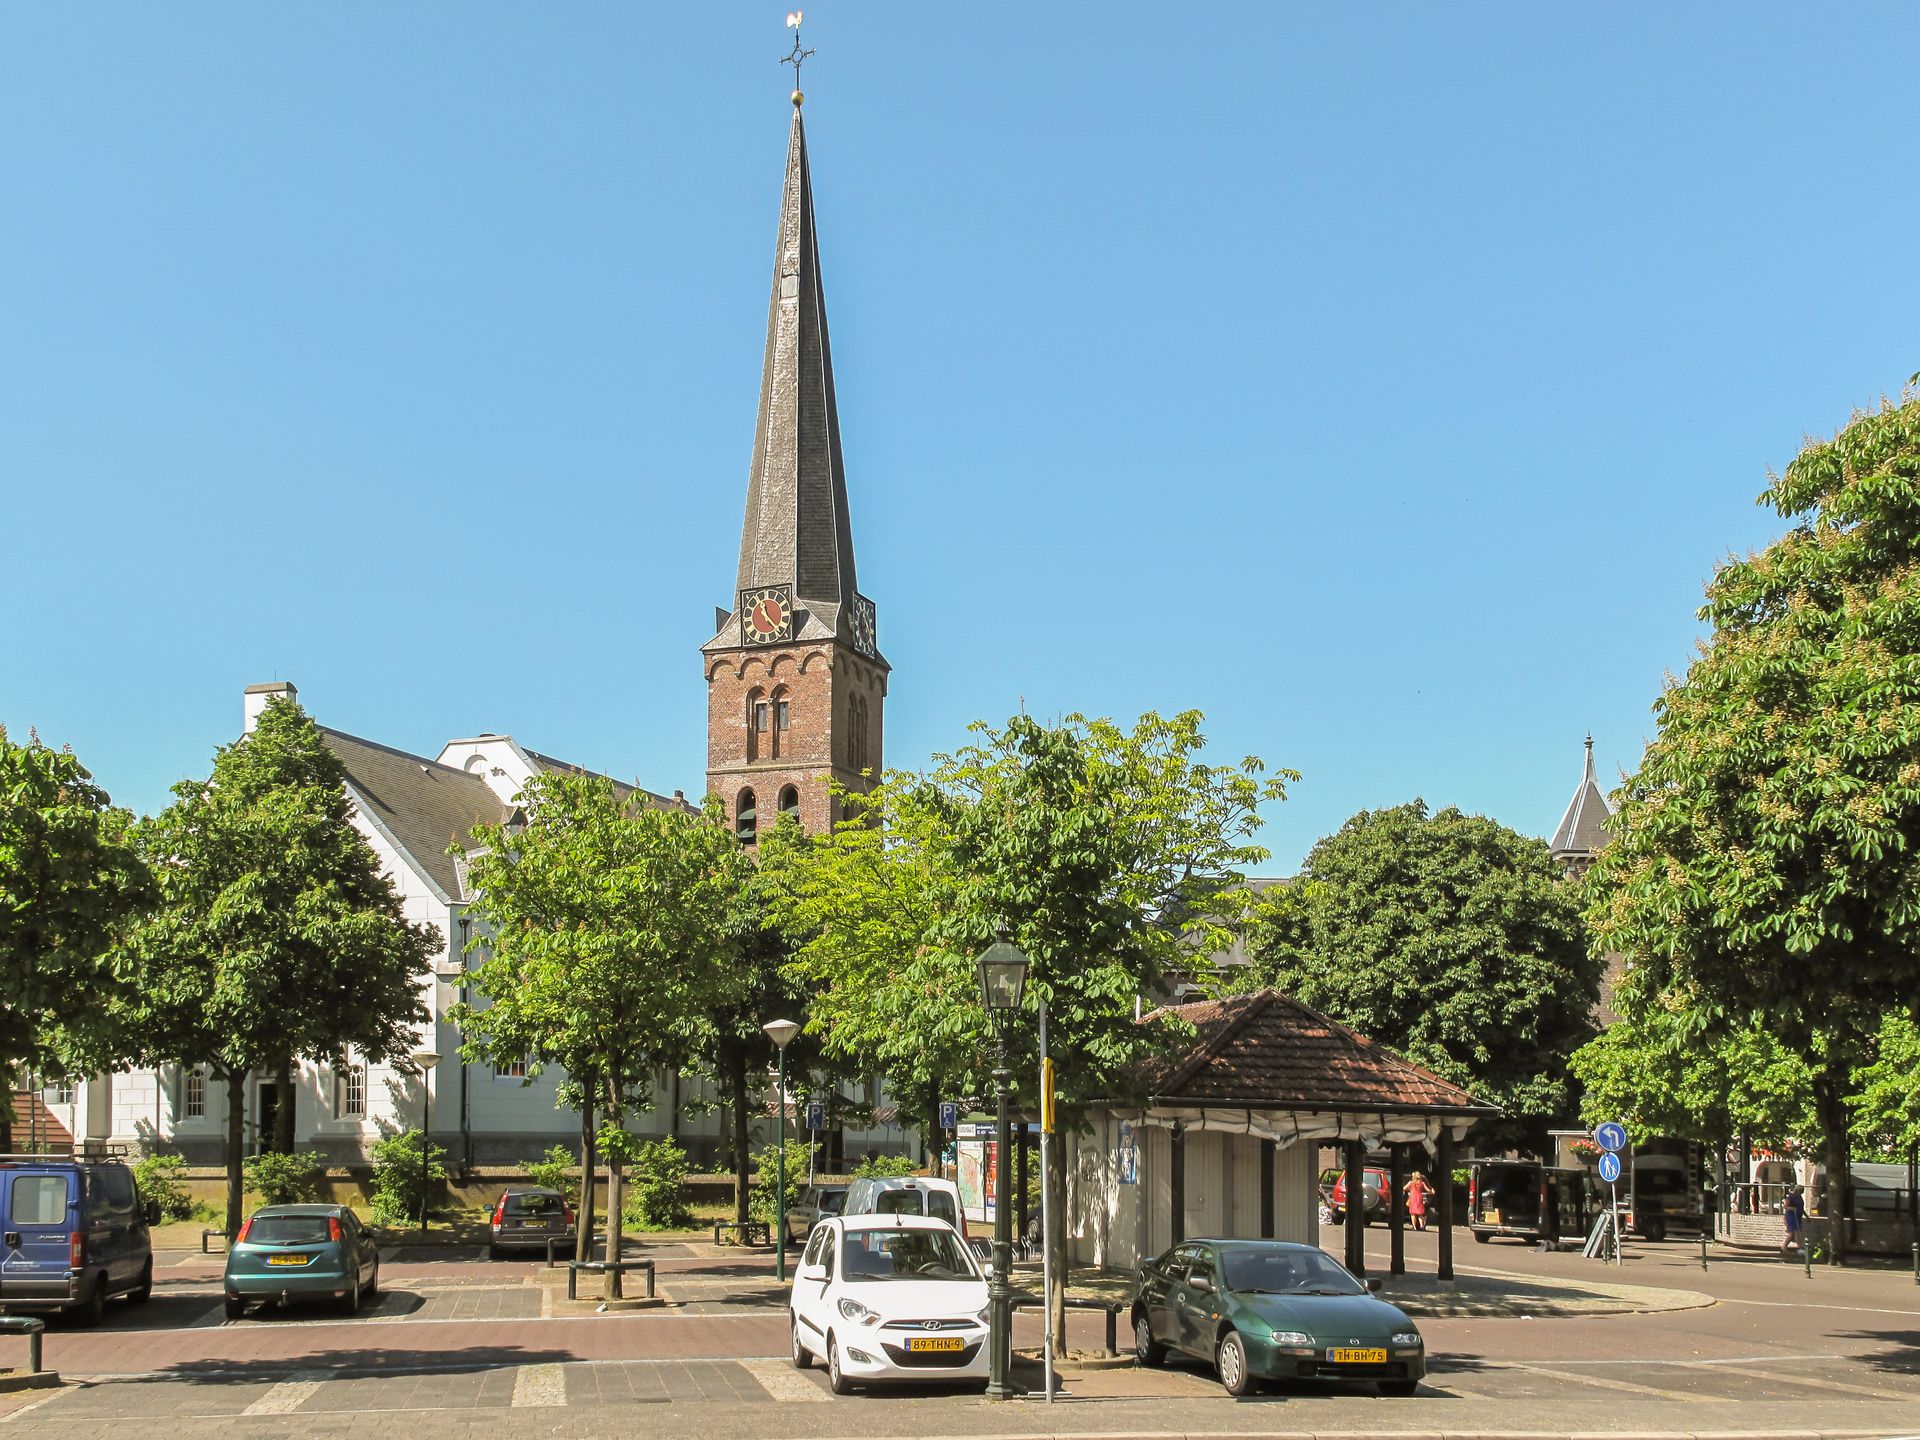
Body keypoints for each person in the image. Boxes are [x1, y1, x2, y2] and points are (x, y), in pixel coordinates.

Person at [1781, 1185, 1806, 1256]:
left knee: (1794, 1233)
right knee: (1795, 1232)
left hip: (1798, 1217)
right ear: (1797, 1190)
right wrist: (1792, 1208)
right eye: (1801, 1191)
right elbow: (1785, 1206)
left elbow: (1801, 1208)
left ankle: (1784, 1247)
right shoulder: (1790, 1197)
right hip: (1791, 1216)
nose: (1801, 1193)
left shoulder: (1800, 1197)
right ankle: (1801, 1248)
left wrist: (1807, 1217)